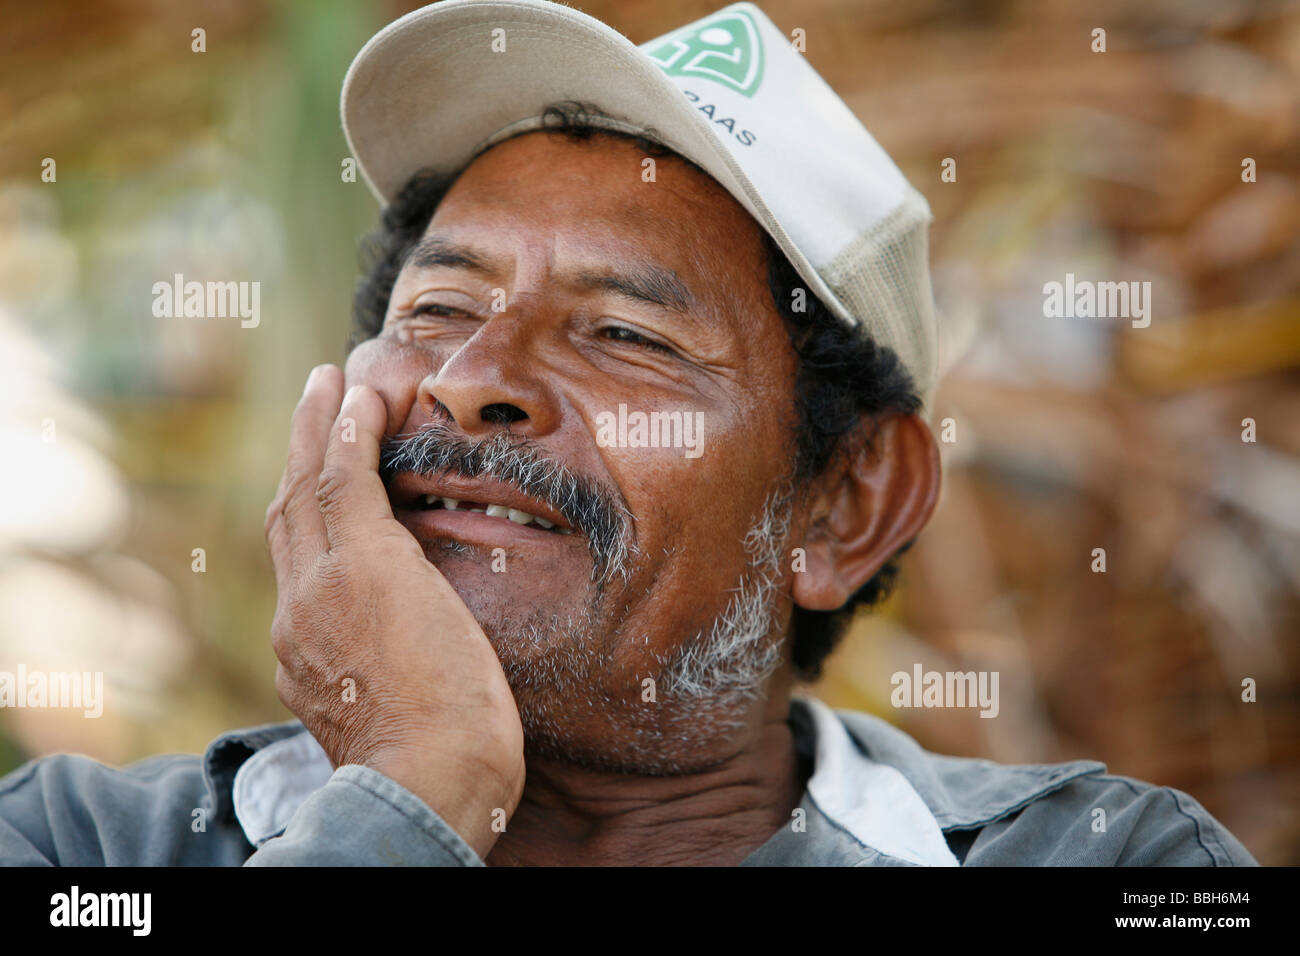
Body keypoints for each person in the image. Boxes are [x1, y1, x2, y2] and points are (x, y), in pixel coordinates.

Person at [0, 0, 1257, 866]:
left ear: (846, 502)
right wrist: (416, 783)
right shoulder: (79, 845)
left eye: (624, 335)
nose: (477, 378)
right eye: (437, 309)